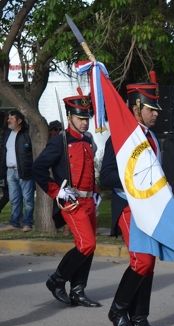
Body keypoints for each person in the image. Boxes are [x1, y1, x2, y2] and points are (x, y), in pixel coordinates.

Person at [100, 76, 171, 326]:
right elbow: (105, 177)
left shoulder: (152, 137)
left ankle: (140, 318)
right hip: (129, 206)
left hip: (150, 209)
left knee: (149, 263)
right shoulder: (118, 139)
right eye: (151, 109)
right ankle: (118, 310)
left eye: (156, 110)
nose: (155, 114)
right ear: (136, 107)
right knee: (141, 261)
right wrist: (138, 181)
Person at [32, 94, 101, 307]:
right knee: (86, 244)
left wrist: (96, 192)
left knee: (89, 246)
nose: (84, 122)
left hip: (89, 200)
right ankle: (57, 280)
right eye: (80, 118)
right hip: (71, 201)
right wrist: (56, 192)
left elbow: (89, 169)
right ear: (69, 117)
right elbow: (38, 168)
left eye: (86, 118)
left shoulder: (88, 139)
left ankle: (78, 290)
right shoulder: (60, 141)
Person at [0, 109, 34, 232]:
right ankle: (15, 223)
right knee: (14, 199)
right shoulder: (7, 134)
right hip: (10, 171)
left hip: (24, 170)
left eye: (11, 118)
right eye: (8, 118)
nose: (8, 120)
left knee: (28, 199)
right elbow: (3, 152)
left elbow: (32, 153)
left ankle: (27, 223)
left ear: (19, 121)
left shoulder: (27, 134)